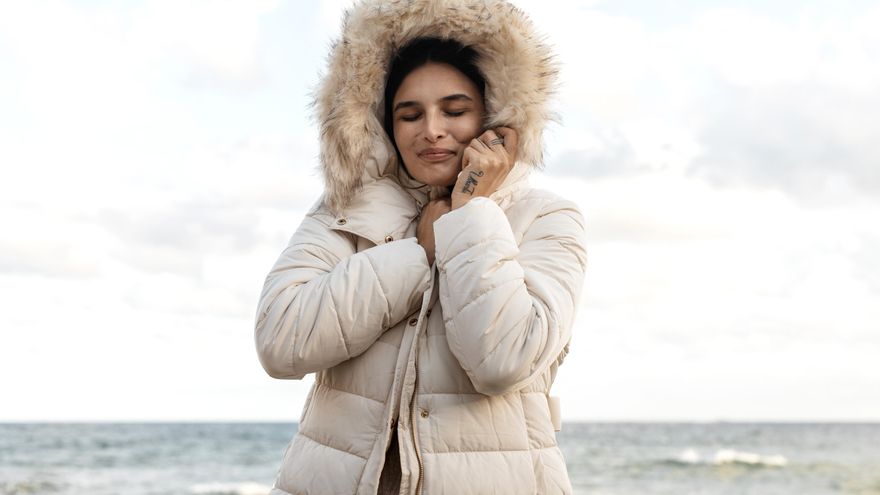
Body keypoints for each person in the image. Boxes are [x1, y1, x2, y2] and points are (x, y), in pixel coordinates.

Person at [254, 1, 587, 494]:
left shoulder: (546, 219)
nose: (431, 129)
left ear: (493, 118)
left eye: (455, 110)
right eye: (410, 114)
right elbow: (281, 342)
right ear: (384, 127)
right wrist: (417, 255)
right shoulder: (344, 211)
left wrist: (471, 212)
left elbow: (504, 359)